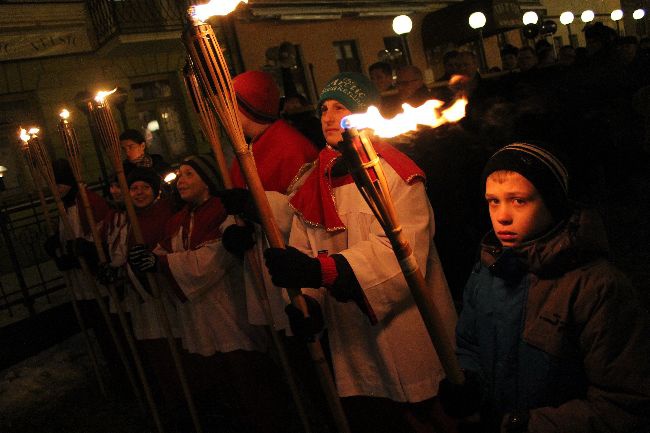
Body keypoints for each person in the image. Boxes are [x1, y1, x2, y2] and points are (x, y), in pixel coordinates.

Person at [264, 72, 458, 433]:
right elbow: (305, 251)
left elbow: (402, 256)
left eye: (340, 107)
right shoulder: (315, 182)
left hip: (407, 332)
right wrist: (306, 302)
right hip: (354, 343)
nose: (327, 116)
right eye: (323, 108)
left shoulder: (396, 175)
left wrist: (324, 272)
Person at [439, 143, 650, 432]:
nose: (502, 216)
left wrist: (523, 426)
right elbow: (470, 346)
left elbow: (624, 405)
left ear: (552, 203)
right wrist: (469, 384)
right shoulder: (487, 272)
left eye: (519, 201)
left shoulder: (597, 288)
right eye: (493, 201)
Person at [130, 155, 293, 433]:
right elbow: (165, 250)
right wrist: (144, 260)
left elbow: (212, 259)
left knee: (249, 381)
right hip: (199, 319)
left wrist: (162, 263)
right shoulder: (178, 219)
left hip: (229, 310)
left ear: (207, 181)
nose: (181, 180)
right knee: (219, 385)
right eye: (179, 175)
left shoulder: (221, 210)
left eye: (189, 174)